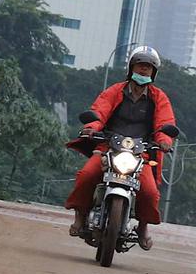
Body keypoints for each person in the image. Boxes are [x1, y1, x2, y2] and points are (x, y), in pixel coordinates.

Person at [65, 46, 176, 251]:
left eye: (148, 68)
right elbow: (99, 111)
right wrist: (91, 128)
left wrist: (164, 140)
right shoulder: (115, 91)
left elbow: (164, 122)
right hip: (108, 147)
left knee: (150, 192)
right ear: (131, 68)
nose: (143, 71)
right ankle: (80, 216)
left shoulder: (158, 97)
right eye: (140, 66)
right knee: (87, 175)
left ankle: (142, 227)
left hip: (140, 152)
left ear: (154, 73)